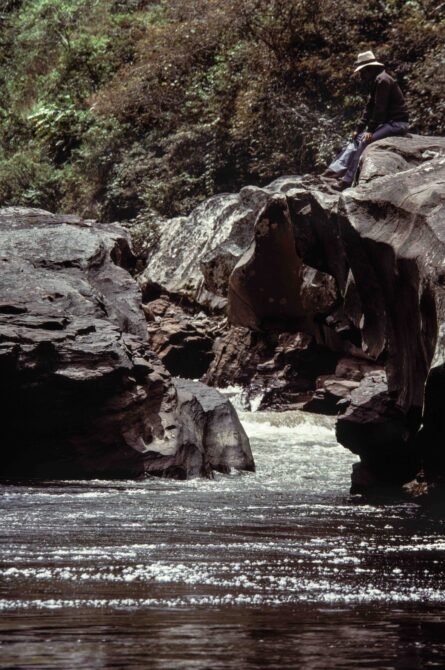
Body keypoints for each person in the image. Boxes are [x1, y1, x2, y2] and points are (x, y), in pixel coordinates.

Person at [326, 50, 409, 190]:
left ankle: (346, 180)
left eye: (363, 71)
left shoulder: (383, 80)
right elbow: (369, 108)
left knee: (365, 141)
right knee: (357, 138)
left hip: (397, 124)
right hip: (387, 123)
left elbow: (379, 109)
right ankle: (333, 171)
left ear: (370, 69)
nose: (361, 75)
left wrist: (370, 130)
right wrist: (358, 129)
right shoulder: (376, 81)